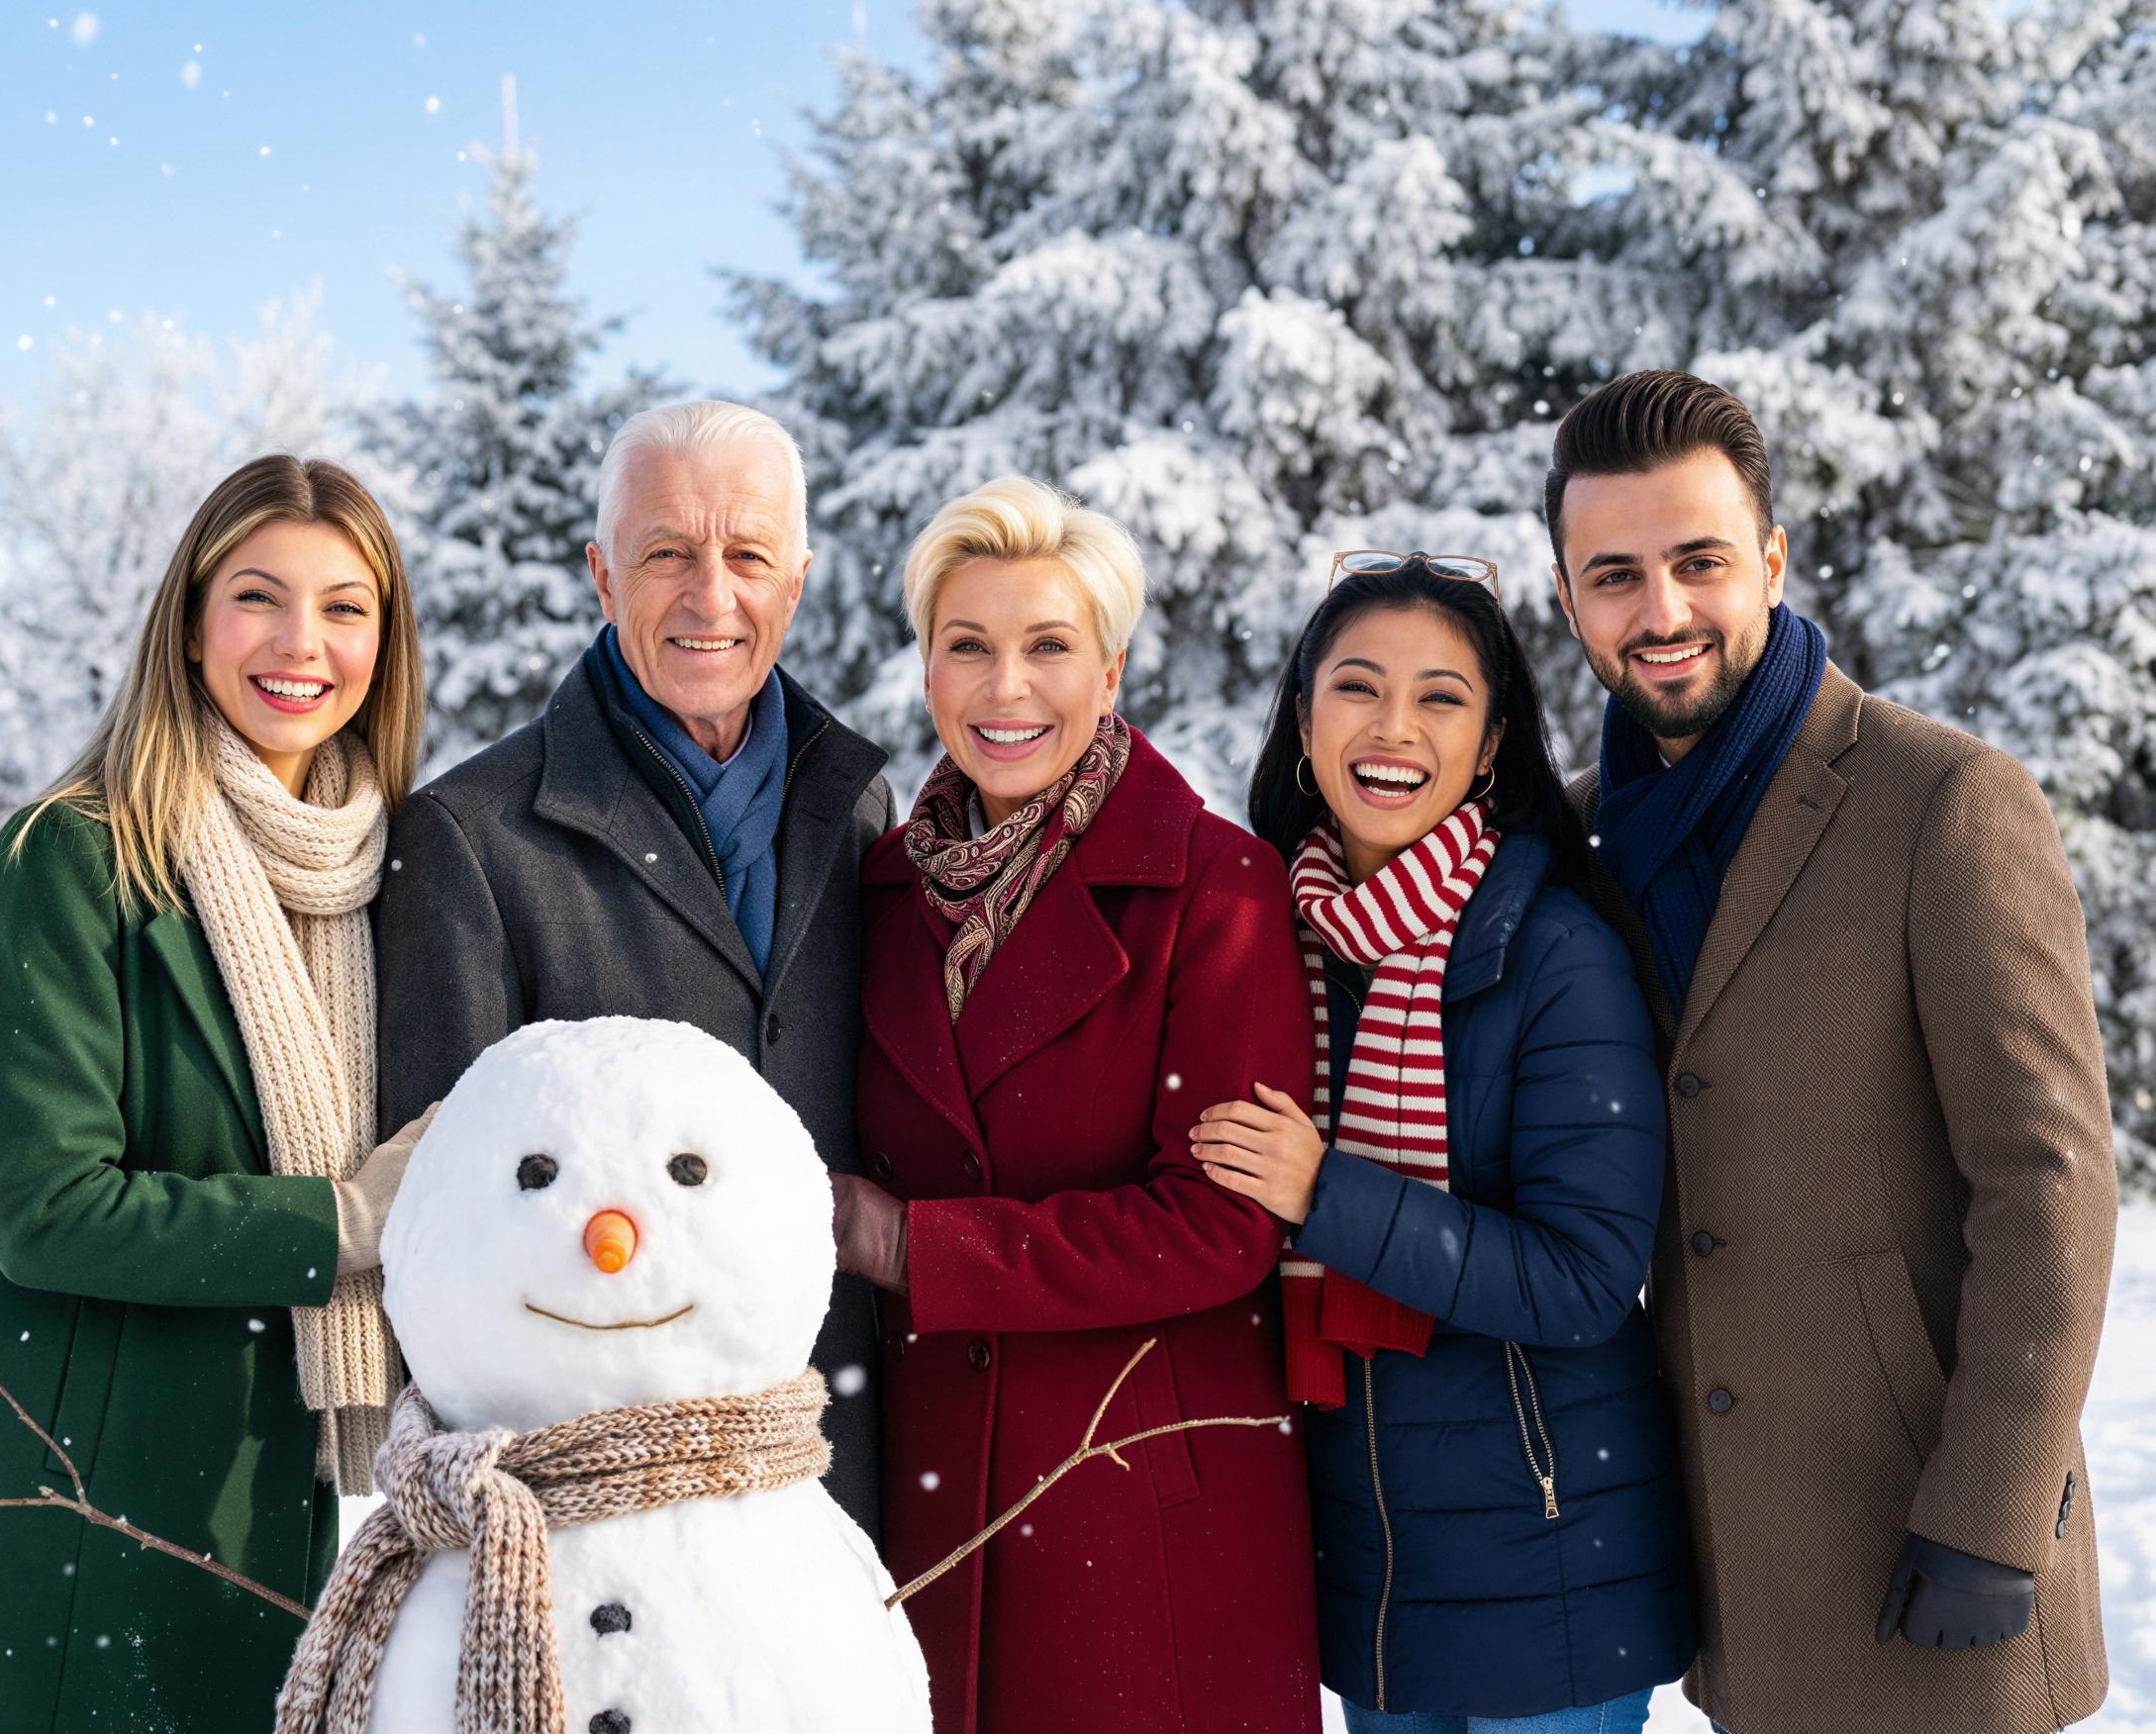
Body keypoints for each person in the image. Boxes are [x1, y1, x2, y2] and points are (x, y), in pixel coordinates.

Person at [1543, 368, 2116, 1734]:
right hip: (1734, 1561)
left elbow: (2050, 1185)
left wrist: (1993, 1511)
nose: (1662, 611)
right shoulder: (1576, 844)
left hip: (1933, 1530)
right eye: (1614, 575)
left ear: (1773, 560)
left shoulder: (1944, 802)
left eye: (1699, 561)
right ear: (1567, 599)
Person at [0, 455, 433, 1733]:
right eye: (257, 598)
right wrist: (343, 1223)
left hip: (261, 1474)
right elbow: (45, 1206)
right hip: (63, 1465)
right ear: (187, 621)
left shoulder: (390, 876)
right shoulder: (74, 853)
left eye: (346, 607)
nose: (301, 644)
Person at [834, 476, 1320, 1734]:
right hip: (934, 1509)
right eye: (969, 646)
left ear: (1110, 671)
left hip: (1138, 1516)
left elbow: (1222, 1226)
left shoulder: (1216, 887)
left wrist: (917, 1245)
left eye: (1049, 647)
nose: (1007, 690)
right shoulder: (880, 892)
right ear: (927, 667)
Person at [1194, 552, 1696, 1731]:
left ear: (1490, 741)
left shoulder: (1553, 949)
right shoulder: (1264, 940)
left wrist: (1331, 1194)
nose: (1394, 727)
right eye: (1358, 687)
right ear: (1305, 717)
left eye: (1441, 697)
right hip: (1368, 1573)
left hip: (1555, 1557)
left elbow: (1583, 1278)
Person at [374, 399, 894, 1532]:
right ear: (603, 577)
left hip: (837, 1457)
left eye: (748, 554)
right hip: (600, 1497)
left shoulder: (855, 805)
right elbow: (447, 1226)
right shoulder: (474, 835)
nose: (713, 596)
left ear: (796, 582)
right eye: (667, 554)